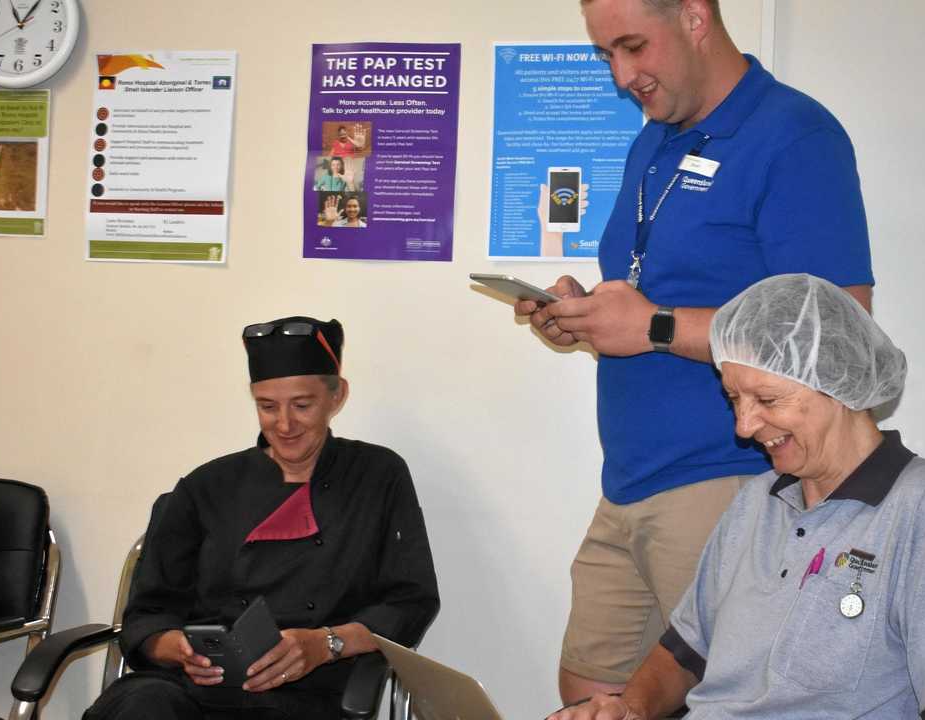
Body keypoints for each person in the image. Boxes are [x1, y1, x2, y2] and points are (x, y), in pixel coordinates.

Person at [515, 0, 874, 702]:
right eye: (606, 55)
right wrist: (585, 315)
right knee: (592, 698)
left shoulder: (795, 136)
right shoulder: (653, 142)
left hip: (732, 478)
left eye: (633, 47)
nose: (623, 76)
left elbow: (841, 328)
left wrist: (651, 327)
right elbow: (659, 293)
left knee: (740, 699)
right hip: (628, 480)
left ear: (695, 17)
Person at [552, 274, 925, 719]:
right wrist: (628, 708)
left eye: (767, 401)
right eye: (734, 399)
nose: (744, 427)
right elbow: (685, 653)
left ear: (838, 385)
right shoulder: (757, 502)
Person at [83, 316, 440, 720]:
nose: (284, 425)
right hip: (193, 689)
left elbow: (410, 600)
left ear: (337, 396)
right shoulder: (206, 486)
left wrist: (326, 643)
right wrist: (175, 647)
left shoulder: (377, 476)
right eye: (267, 407)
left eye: (302, 405)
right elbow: (147, 613)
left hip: (310, 692)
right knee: (140, 708)